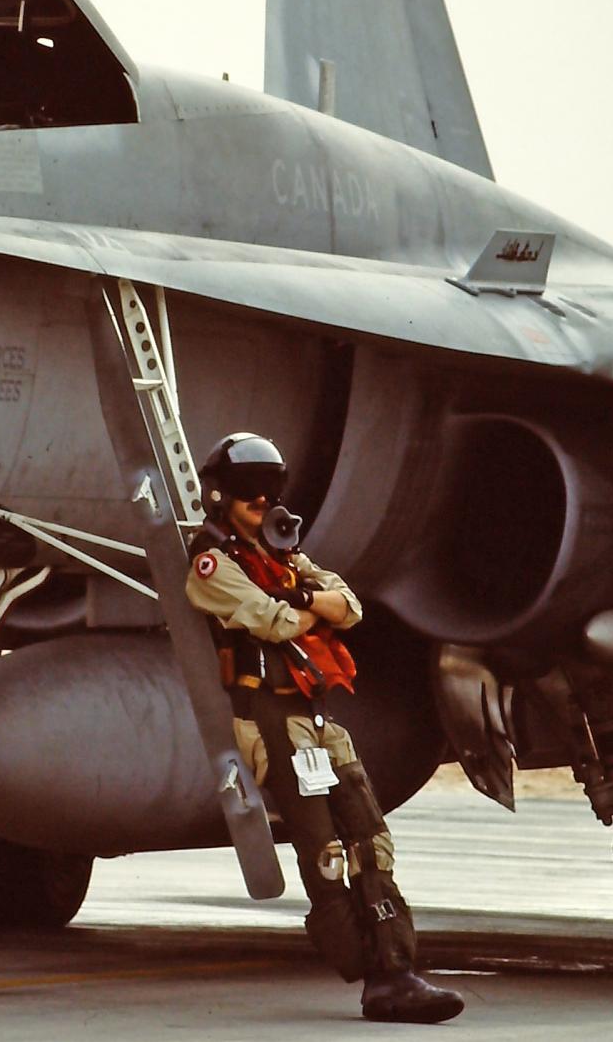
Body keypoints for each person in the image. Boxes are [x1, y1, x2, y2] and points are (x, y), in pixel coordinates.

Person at [185, 432, 464, 1025]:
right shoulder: (213, 564)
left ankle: (399, 968)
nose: (263, 506)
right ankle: (372, 976)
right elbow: (275, 623)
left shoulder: (283, 559)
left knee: (371, 840)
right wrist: (310, 604)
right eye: (250, 497)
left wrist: (302, 592)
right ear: (223, 499)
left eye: (269, 494)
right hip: (270, 720)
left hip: (316, 716)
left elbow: (352, 607)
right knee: (327, 850)